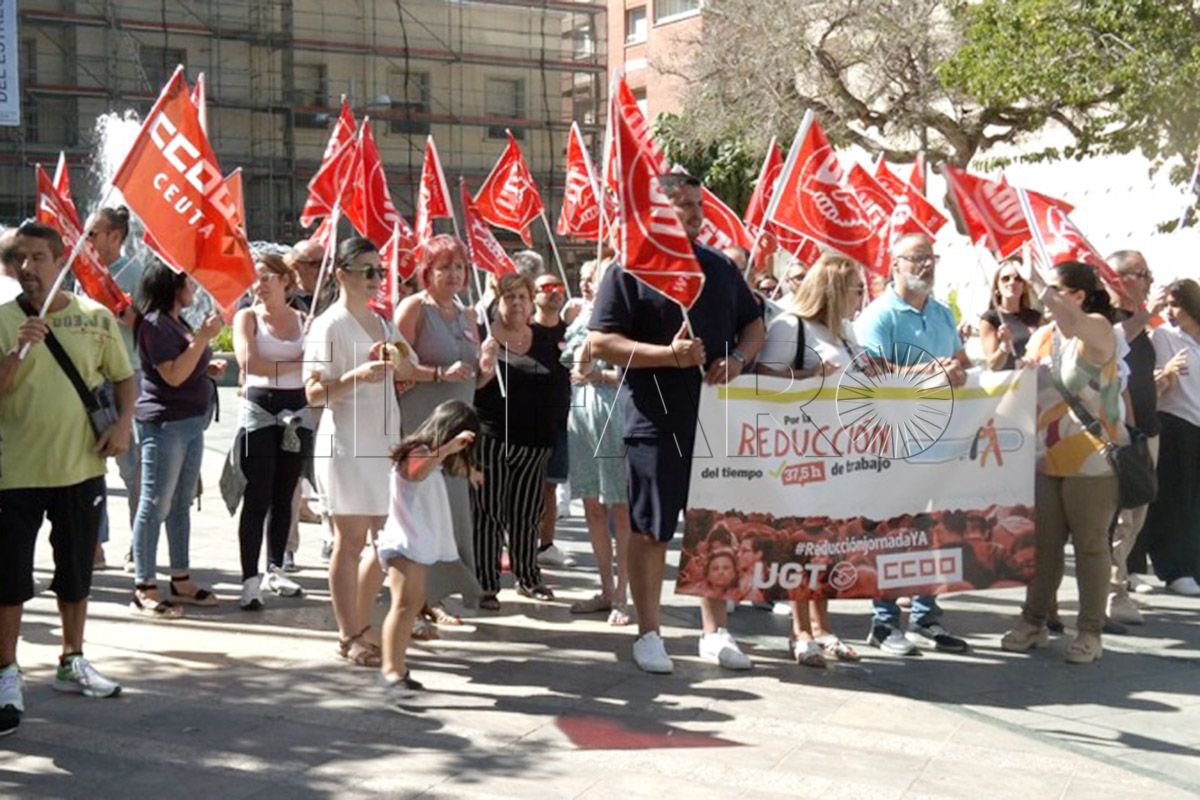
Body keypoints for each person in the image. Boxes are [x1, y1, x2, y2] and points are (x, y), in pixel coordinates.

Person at [589, 171, 765, 674]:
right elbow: (602, 343)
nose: (692, 212)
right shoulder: (629, 268)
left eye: (696, 203)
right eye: (681, 204)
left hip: (714, 421)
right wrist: (668, 355)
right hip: (653, 420)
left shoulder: (719, 268)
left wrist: (740, 360)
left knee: (714, 529)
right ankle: (649, 634)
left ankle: (715, 631)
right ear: (657, 210)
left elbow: (753, 324)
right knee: (651, 531)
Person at [1, 221, 135, 736]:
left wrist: (123, 425)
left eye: (38, 257)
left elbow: (124, 378)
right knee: (9, 579)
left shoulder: (95, 318)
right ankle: (6, 673)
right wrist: (17, 352)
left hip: (82, 468)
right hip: (14, 472)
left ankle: (72, 659)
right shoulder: (3, 321)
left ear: (61, 260)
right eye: (20, 260)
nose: (29, 268)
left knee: (76, 572)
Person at [1001, 262, 1126, 664]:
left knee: (1091, 545)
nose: (1043, 295)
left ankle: (1090, 630)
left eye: (1055, 289)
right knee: (1044, 546)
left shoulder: (1099, 328)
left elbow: (1083, 333)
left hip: (1091, 457)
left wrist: (1039, 281)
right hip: (1045, 455)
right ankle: (1033, 619)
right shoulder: (1041, 336)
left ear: (1079, 295)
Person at [854, 232, 970, 656]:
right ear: (895, 264)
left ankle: (925, 615)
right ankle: (884, 622)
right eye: (917, 258)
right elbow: (873, 374)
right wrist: (931, 371)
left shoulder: (941, 313)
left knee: (934, 529)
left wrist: (967, 369)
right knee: (896, 529)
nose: (927, 265)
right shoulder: (879, 315)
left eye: (931, 257)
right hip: (895, 438)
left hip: (940, 438)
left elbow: (959, 361)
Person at [304, 236, 416, 667]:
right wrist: (359, 375)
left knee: (385, 540)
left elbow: (408, 369)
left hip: (383, 442)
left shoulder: (381, 322)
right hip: (346, 444)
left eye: (379, 271)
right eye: (367, 271)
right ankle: (348, 633)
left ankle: (366, 623)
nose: (375, 280)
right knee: (349, 542)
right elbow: (314, 393)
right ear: (341, 274)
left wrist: (402, 359)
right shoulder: (329, 324)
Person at [756, 253, 866, 666]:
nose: (861, 295)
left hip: (841, 453)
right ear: (836, 289)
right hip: (799, 451)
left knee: (828, 544)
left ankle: (824, 627)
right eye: (856, 287)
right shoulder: (790, 326)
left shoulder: (848, 332)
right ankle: (800, 632)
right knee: (800, 540)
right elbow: (762, 379)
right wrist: (808, 379)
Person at [393, 234, 484, 631]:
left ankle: (437, 595)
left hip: (458, 436)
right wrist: (435, 374)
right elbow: (393, 365)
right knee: (422, 513)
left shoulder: (467, 316)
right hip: (423, 429)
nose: (452, 274)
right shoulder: (414, 308)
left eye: (459, 267)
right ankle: (417, 600)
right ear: (427, 273)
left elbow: (474, 378)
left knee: (451, 516)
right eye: (443, 267)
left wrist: (488, 367)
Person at [128, 263, 228, 618]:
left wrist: (205, 366)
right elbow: (171, 376)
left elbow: (181, 367)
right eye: (189, 282)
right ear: (174, 285)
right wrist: (202, 340)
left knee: (182, 503)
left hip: (188, 423)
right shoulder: (155, 323)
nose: (195, 288)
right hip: (165, 426)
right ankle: (145, 585)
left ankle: (180, 578)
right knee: (155, 503)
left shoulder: (174, 323)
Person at [379, 400, 480, 701]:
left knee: (410, 607)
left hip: (417, 544)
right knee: (402, 608)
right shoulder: (418, 452)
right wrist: (447, 449)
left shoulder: (429, 455)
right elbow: (416, 472)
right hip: (404, 543)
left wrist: (462, 463)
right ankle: (391, 670)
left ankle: (398, 668)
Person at [471, 272, 561, 610]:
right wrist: (483, 364)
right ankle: (487, 582)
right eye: (510, 298)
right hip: (492, 441)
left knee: (527, 513)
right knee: (489, 513)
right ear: (498, 302)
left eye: (523, 297)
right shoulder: (485, 337)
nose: (518, 303)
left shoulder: (543, 338)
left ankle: (528, 577)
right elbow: (474, 389)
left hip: (535, 442)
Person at [231, 254, 311, 610]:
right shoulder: (246, 317)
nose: (260, 284)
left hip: (296, 414)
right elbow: (250, 364)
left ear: (284, 281)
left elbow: (316, 365)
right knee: (257, 494)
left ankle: (275, 566)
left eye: (267, 277)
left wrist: (287, 368)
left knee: (285, 494)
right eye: (255, 278)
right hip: (259, 413)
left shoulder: (303, 320)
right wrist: (295, 365)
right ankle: (250, 579)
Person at [561, 259, 633, 626]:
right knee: (591, 506)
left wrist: (598, 373)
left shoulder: (623, 316)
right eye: (583, 278)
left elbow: (631, 368)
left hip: (614, 412)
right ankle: (605, 587)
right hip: (581, 414)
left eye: (593, 278)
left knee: (619, 506)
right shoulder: (577, 314)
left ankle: (623, 593)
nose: (586, 284)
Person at [1105, 250, 1162, 621]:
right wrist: (1146, 312)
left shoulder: (1141, 323)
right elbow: (1115, 342)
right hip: (1122, 431)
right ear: (1119, 278)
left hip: (1147, 429)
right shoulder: (1107, 320)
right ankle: (1112, 593)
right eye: (1142, 274)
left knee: (1137, 515)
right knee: (1120, 517)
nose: (1149, 281)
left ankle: (1120, 581)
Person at [86, 206, 142, 571]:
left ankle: (140, 544)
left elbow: (148, 326)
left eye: (93, 234)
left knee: (133, 467)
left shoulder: (137, 272)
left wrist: (119, 308)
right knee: (89, 466)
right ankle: (94, 544)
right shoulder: (80, 274)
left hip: (126, 377)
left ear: (115, 236)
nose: (86, 240)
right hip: (88, 378)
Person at [1139, 278, 1200, 596]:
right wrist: (1167, 373)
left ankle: (1194, 564)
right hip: (1176, 422)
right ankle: (1174, 568)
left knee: (1194, 501)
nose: (1173, 312)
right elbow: (1154, 380)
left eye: (1178, 305)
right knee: (1175, 500)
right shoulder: (1164, 336)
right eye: (1170, 306)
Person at [532, 272, 578, 569]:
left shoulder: (571, 332)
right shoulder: (525, 331)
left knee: (550, 486)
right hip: (528, 421)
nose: (554, 292)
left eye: (558, 287)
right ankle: (521, 544)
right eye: (546, 288)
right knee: (525, 487)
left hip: (561, 420)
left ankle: (547, 544)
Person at [979, 257, 1042, 371]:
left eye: (1018, 278)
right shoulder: (991, 319)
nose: (1012, 282)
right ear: (997, 287)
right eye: (1005, 279)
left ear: (1024, 287)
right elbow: (993, 365)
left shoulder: (1036, 316)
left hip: (1038, 380)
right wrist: (1005, 346)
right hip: (1011, 384)